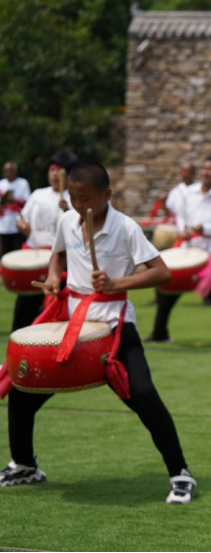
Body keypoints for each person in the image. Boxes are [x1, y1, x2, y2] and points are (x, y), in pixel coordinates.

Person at [0, 162, 196, 504]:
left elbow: (161, 273)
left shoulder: (126, 227)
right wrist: (53, 278)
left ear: (107, 194)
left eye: (86, 198)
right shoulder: (67, 220)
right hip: (72, 323)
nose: (79, 205)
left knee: (144, 395)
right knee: (22, 392)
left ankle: (180, 473)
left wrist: (116, 282)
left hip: (114, 324)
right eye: (74, 198)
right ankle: (25, 465)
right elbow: (57, 256)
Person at [146, 156, 211, 343]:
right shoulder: (188, 193)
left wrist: (206, 229)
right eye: (204, 168)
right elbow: (180, 217)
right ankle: (160, 333)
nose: (206, 172)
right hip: (186, 253)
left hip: (209, 256)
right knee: (166, 293)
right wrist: (182, 231)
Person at [12, 152, 74, 329]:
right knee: (25, 307)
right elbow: (24, 221)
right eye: (52, 170)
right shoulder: (38, 195)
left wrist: (67, 210)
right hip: (35, 258)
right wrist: (23, 227)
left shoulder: (74, 198)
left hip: (60, 261)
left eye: (59, 171)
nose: (54, 174)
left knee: (55, 309)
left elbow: (80, 227)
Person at [0, 161, 31, 254]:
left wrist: (13, 200)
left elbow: (28, 202)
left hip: (18, 224)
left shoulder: (23, 183)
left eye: (10, 170)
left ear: (15, 171)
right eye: (6, 170)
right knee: (4, 252)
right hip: (3, 225)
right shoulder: (1, 184)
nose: (7, 172)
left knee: (18, 252)